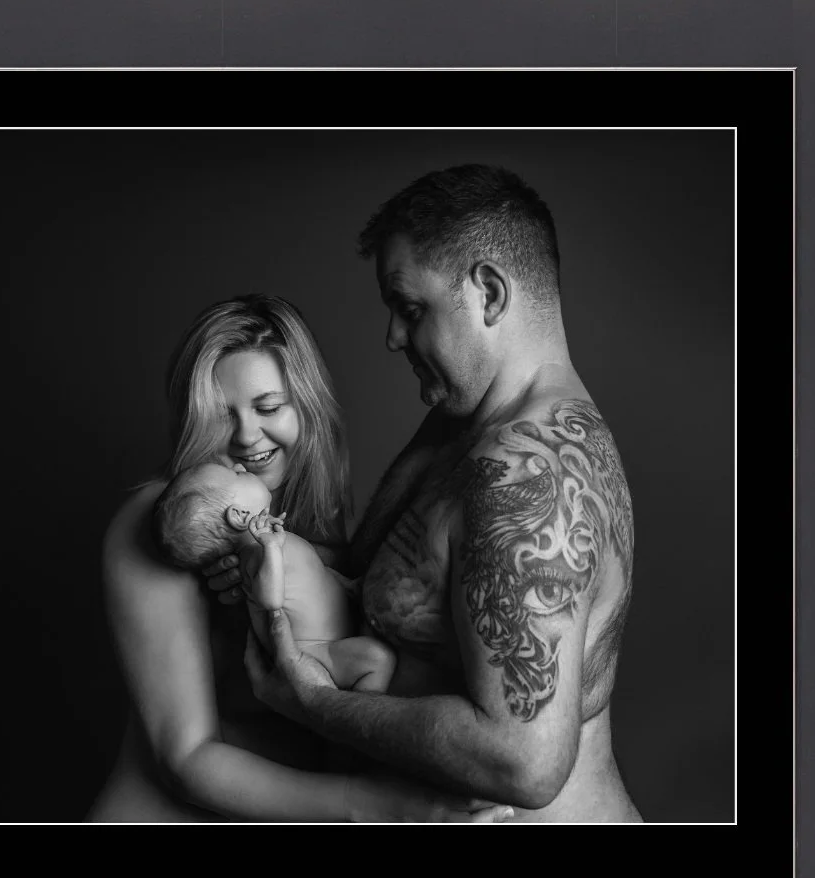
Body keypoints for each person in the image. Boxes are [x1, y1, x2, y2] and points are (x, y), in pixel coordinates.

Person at [228, 166, 643, 822]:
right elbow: (366, 580)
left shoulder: (530, 471)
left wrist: (313, 703)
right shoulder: (463, 421)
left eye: (411, 308)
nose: (393, 336)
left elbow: (524, 761)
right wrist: (259, 559)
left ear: (488, 293)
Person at [88, 294, 514, 823]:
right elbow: (186, 759)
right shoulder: (157, 522)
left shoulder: (295, 513)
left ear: (306, 406)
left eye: (268, 408)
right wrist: (388, 808)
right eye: (220, 416)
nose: (246, 437)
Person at [153, 461, 397, 692]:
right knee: (380, 658)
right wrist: (270, 547)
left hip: (336, 634)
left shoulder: (266, 545)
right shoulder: (254, 557)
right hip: (317, 655)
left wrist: (346, 585)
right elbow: (270, 600)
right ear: (239, 516)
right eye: (237, 474)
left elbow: (313, 574)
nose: (240, 466)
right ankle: (353, 713)